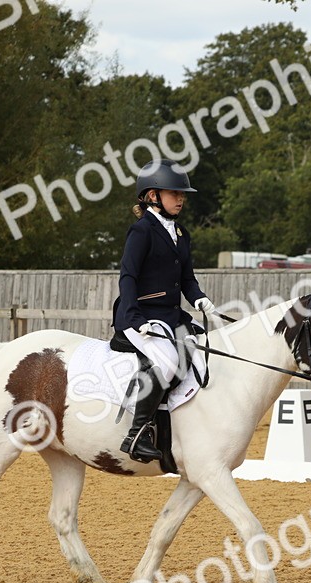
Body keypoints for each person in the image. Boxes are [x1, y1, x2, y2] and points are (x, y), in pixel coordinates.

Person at [111, 159, 214, 463]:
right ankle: (136, 434)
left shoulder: (181, 233)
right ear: (153, 195)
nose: (181, 198)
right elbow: (127, 276)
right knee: (168, 360)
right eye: (175, 193)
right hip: (139, 315)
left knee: (202, 347)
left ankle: (174, 426)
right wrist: (135, 317)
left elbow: (186, 279)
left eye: (182, 194)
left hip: (170, 316)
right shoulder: (141, 232)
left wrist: (198, 298)